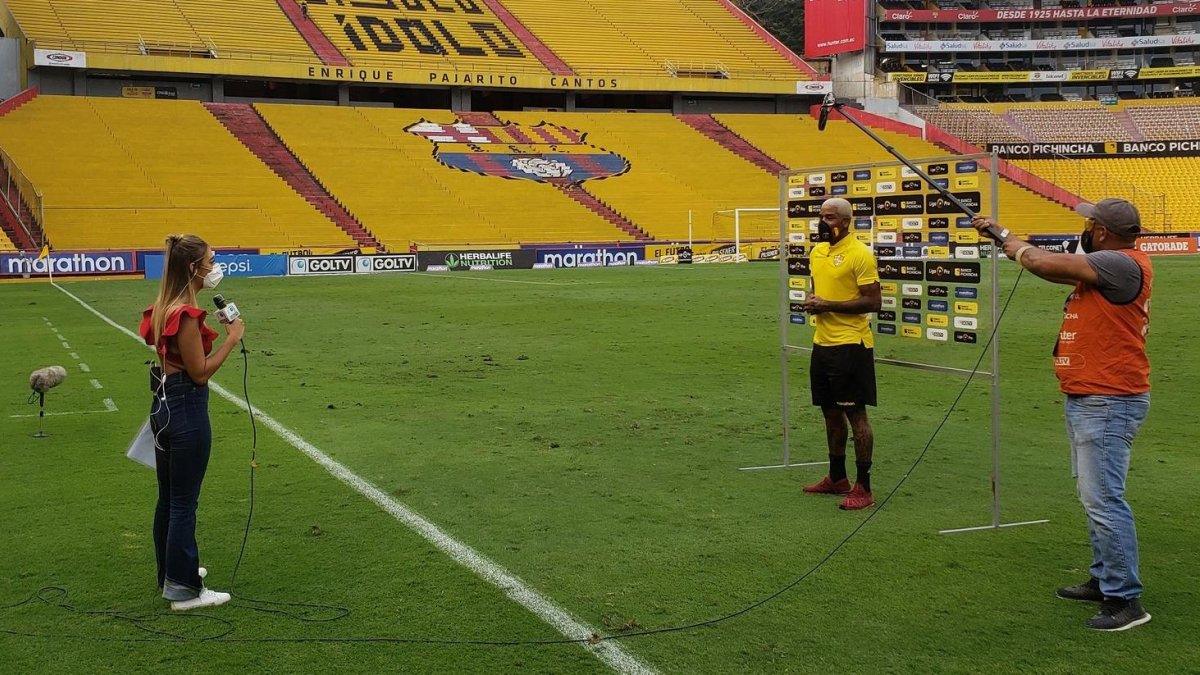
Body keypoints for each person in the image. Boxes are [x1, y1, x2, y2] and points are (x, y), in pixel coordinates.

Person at [972, 198, 1152, 632]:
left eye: (1090, 223)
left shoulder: (1118, 262)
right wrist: (1003, 236)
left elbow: (1041, 262)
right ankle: (1104, 579)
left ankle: (1125, 599)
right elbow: (1052, 268)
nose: (1085, 229)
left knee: (1103, 499)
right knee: (1095, 496)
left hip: (1107, 398)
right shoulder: (1112, 264)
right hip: (1094, 396)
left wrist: (1008, 239)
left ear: (1102, 231)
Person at [139, 234, 245, 611]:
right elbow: (199, 373)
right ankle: (184, 590)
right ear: (192, 267)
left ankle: (172, 572)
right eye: (210, 261)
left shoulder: (166, 307)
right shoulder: (183, 314)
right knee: (184, 503)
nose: (214, 267)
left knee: (170, 499)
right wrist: (232, 338)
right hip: (185, 408)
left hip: (165, 406)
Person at [801, 198, 882, 510]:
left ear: (846, 221)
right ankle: (837, 478)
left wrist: (828, 305)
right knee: (830, 412)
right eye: (821, 216)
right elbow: (820, 290)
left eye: (830, 217)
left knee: (855, 414)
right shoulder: (817, 252)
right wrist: (814, 301)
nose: (823, 222)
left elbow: (873, 302)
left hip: (851, 345)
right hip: (822, 343)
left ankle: (864, 487)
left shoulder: (860, 254)